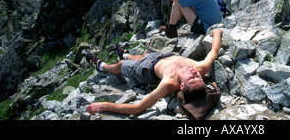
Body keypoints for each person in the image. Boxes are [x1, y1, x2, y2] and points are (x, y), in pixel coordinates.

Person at [85, 29, 223, 116]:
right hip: (164, 57)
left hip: (146, 70)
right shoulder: (199, 68)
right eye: (199, 77)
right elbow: (214, 51)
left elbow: (138, 108)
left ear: (181, 86)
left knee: (121, 66)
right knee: (143, 55)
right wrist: (217, 33)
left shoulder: (169, 83)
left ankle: (101, 66)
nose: (195, 74)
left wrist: (105, 105)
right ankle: (125, 55)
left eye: (192, 79)